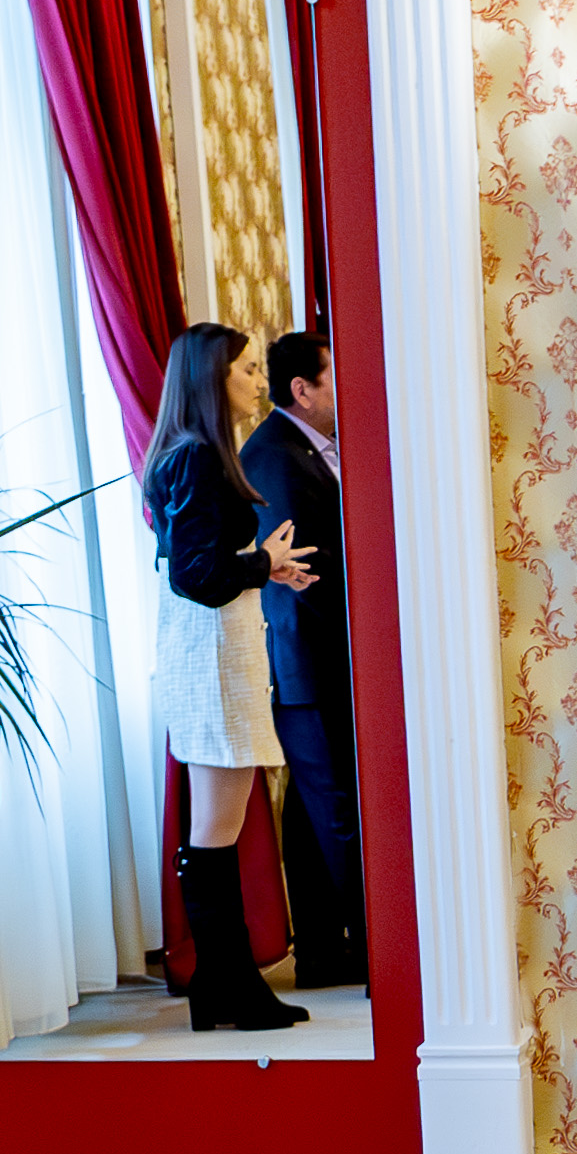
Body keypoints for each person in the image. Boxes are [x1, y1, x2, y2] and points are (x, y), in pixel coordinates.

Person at [142, 320, 316, 1035]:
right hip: (212, 658)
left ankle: (221, 984)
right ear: (212, 380)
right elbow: (198, 576)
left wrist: (264, 565)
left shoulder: (189, 454)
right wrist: (264, 563)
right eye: (244, 370)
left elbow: (202, 565)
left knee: (218, 825)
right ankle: (230, 986)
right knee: (217, 826)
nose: (256, 381)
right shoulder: (196, 458)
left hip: (211, 654)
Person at [242, 329, 365, 986]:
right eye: (334, 377)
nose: (345, 389)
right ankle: (377, 952)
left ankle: (319, 949)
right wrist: (364, 649)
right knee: (338, 806)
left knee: (310, 807)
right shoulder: (277, 457)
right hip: (311, 662)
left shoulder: (310, 446)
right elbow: (307, 577)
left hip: (319, 662)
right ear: (303, 389)